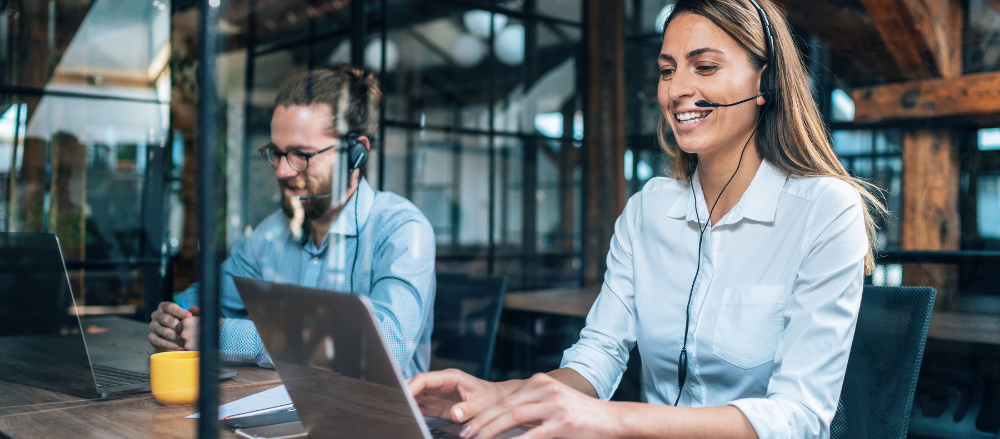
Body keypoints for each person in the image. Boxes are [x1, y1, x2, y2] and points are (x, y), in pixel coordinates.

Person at [407, 0, 886, 437]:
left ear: (766, 82)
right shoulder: (647, 209)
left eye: (705, 67)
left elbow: (798, 416)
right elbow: (599, 355)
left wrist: (611, 419)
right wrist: (504, 394)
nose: (677, 90)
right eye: (666, 70)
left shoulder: (825, 209)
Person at [148, 66, 437, 378]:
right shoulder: (272, 233)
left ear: (356, 154)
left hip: (378, 420)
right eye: (277, 153)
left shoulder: (401, 230)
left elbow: (384, 349)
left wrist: (225, 336)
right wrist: (173, 318)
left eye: (302, 155)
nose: (282, 171)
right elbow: (204, 300)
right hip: (284, 411)